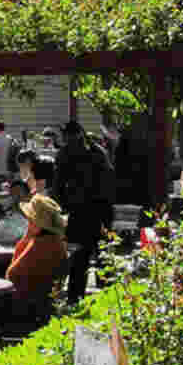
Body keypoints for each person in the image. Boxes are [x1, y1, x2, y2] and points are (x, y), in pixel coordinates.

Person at [55, 120, 115, 303]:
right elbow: (109, 178)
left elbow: (58, 185)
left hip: (79, 210)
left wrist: (62, 205)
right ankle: (108, 295)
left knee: (80, 258)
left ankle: (75, 296)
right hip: (100, 209)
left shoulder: (65, 153)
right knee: (102, 254)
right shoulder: (97, 151)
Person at [6, 194, 69, 315]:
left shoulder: (39, 244)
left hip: (27, 307)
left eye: (30, 220)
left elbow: (11, 275)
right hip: (44, 302)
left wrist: (26, 238)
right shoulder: (55, 241)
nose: (28, 224)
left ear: (37, 224)